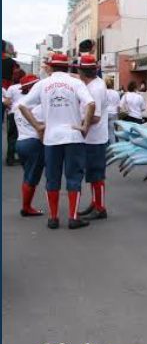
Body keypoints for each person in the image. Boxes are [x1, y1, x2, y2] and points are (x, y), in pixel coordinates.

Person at [17, 52, 97, 230]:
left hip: (51, 138)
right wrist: (84, 126)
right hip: (73, 136)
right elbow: (91, 104)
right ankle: (73, 217)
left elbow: (22, 105)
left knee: (52, 177)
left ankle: (53, 218)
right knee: (73, 177)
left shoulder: (42, 84)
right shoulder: (75, 83)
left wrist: (37, 126)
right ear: (68, 67)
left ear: (51, 67)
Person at [75, 55, 109, 220]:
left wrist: (76, 124)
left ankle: (100, 207)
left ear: (82, 71)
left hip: (94, 138)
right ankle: (95, 203)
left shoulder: (95, 88)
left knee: (96, 174)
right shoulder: (94, 84)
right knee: (93, 174)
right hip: (92, 137)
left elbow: (94, 118)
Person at [14, 75, 46, 216]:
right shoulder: (38, 107)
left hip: (21, 141)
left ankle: (26, 206)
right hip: (34, 143)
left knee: (27, 175)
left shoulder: (19, 104)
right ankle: (26, 208)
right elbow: (42, 128)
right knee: (32, 178)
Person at [2, 67, 25, 165]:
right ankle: (22, 156)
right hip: (25, 114)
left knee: (12, 136)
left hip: (13, 113)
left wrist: (8, 105)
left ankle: (10, 158)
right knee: (23, 135)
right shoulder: (26, 86)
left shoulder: (12, 88)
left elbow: (7, 102)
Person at [105, 78, 120, 144]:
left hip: (105, 113)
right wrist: (118, 115)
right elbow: (118, 106)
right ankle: (113, 148)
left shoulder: (103, 92)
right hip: (114, 113)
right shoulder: (116, 93)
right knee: (112, 133)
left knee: (104, 132)